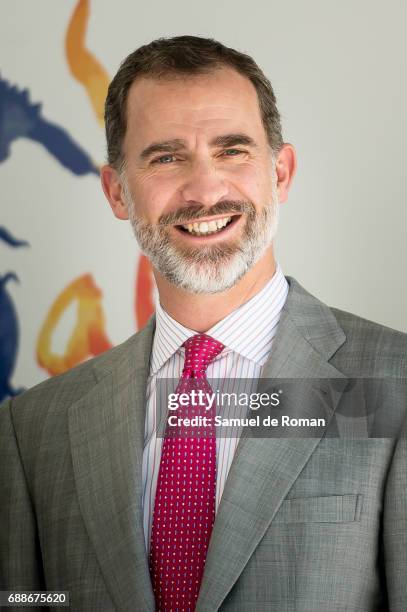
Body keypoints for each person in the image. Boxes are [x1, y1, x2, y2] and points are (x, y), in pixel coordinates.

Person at [1, 35, 406, 612]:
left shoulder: (397, 387)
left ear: (281, 173)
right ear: (117, 191)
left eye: (233, 150)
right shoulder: (31, 430)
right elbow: (28, 601)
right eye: (166, 157)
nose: (204, 188)